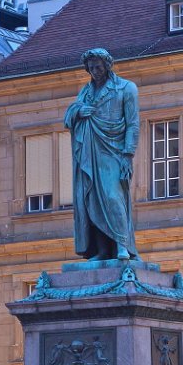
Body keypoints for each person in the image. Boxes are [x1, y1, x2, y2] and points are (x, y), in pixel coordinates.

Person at [63, 47, 139, 261]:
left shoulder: (126, 88)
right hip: (89, 151)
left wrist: (128, 155)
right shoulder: (85, 92)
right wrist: (79, 111)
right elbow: (69, 116)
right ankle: (103, 250)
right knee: (91, 199)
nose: (94, 70)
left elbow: (133, 124)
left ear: (107, 65)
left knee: (112, 196)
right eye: (91, 67)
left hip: (113, 150)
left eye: (98, 66)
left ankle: (122, 245)